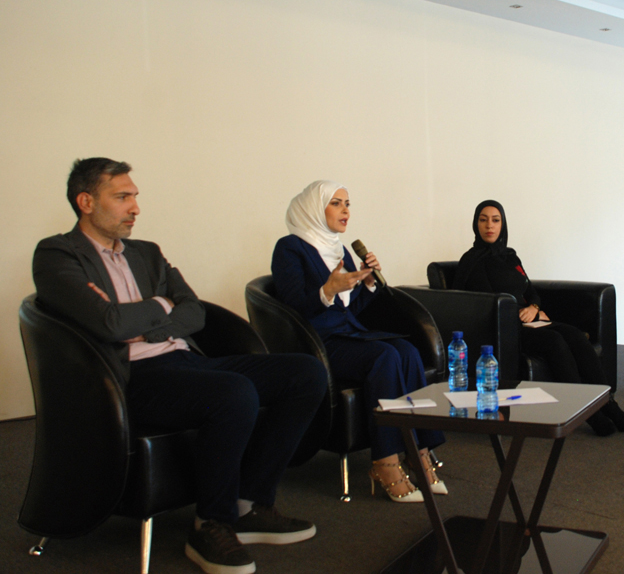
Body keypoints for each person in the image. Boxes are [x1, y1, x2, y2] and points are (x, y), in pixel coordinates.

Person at [32, 158, 328, 574]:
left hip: (184, 359)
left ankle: (248, 504)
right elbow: (108, 323)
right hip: (127, 378)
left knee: (306, 373)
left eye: (135, 196)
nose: (135, 208)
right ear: (86, 202)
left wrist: (142, 322)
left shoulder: (147, 253)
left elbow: (193, 313)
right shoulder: (57, 254)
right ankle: (211, 524)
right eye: (122, 197)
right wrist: (160, 303)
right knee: (233, 392)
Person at [271, 180, 446, 503]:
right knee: (384, 357)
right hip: (319, 342)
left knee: (408, 352)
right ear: (314, 208)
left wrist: (367, 284)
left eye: (348, 204)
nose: (346, 211)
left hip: (349, 333)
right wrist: (327, 290)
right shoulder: (289, 248)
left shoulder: (340, 250)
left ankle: (418, 451)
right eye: (336, 203)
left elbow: (351, 309)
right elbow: (293, 306)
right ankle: (385, 463)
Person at [453, 200, 624, 437]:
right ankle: (588, 411)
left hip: (531, 319)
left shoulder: (510, 257)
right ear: (475, 224)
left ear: (503, 224)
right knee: (554, 341)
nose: (489, 226)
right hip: (506, 328)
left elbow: (530, 290)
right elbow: (484, 302)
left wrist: (535, 307)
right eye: (483, 220)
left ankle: (606, 401)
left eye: (495, 220)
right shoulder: (472, 261)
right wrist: (521, 314)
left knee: (575, 335)